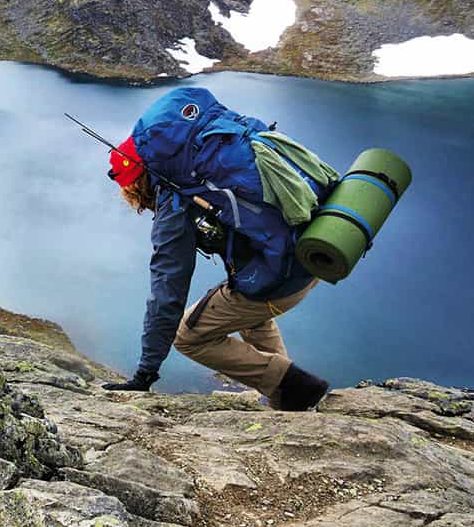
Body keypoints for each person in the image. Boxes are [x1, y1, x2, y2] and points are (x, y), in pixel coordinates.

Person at [102, 87, 337, 411]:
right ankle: (287, 395)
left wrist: (146, 373)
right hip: (313, 249)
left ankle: (294, 387)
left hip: (280, 278)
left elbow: (167, 290)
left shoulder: (176, 202)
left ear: (135, 183)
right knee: (245, 310)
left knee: (188, 336)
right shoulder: (206, 154)